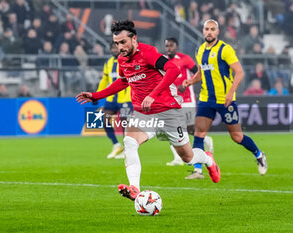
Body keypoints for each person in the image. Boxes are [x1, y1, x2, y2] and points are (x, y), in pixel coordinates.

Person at [77, 20, 221, 201]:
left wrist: (153, 94)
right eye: (116, 43)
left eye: (123, 42)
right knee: (129, 142)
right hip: (143, 113)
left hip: (168, 111)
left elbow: (173, 70)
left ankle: (208, 160)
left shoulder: (148, 52)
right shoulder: (122, 60)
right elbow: (123, 81)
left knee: (188, 157)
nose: (120, 47)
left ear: (134, 38)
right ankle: (135, 188)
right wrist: (97, 95)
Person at [183, 19, 268, 177]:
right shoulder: (199, 50)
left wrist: (231, 93)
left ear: (217, 32)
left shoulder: (225, 49)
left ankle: (259, 155)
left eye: (212, 29)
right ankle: (198, 170)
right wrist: (191, 81)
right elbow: (201, 73)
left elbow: (240, 72)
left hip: (225, 99)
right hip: (206, 98)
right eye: (206, 29)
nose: (209, 32)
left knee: (236, 136)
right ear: (203, 31)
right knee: (199, 133)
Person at [164, 37, 214, 174]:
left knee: (190, 128)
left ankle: (206, 139)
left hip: (186, 100)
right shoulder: (163, 60)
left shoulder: (185, 59)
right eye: (167, 46)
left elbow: (199, 73)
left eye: (171, 46)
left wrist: (187, 84)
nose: (169, 48)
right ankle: (177, 158)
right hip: (171, 100)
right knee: (171, 127)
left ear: (177, 46)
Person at [96, 42, 133, 159]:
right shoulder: (108, 63)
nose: (114, 50)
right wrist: (97, 95)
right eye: (112, 48)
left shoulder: (128, 60)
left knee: (124, 123)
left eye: (116, 47)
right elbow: (104, 80)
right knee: (105, 119)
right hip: (112, 98)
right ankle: (116, 145)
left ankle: (127, 150)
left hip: (125, 98)